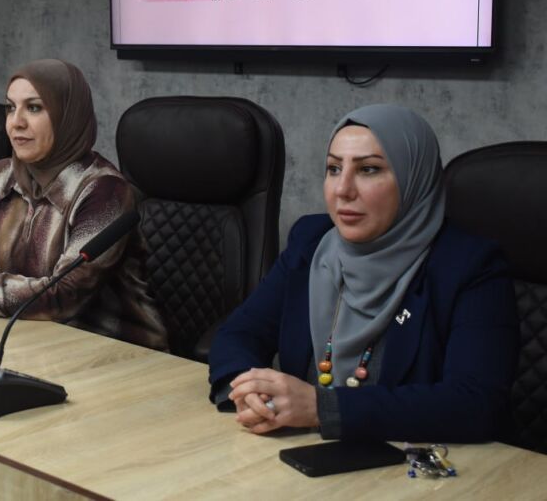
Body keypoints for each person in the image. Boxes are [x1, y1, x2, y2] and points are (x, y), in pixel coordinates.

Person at [208, 104, 518, 443]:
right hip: (301, 453)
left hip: (414, 464)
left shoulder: (470, 266)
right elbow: (238, 334)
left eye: (369, 169)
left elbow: (475, 403)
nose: (343, 189)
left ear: (414, 179)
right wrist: (250, 391)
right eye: (334, 168)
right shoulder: (310, 242)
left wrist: (322, 408)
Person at [0, 59, 168, 351]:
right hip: (25, 342)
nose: (16, 122)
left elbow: (64, 295)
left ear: (67, 116)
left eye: (34, 108)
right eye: (10, 107)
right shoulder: (0, 176)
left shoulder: (105, 191)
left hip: (114, 352)